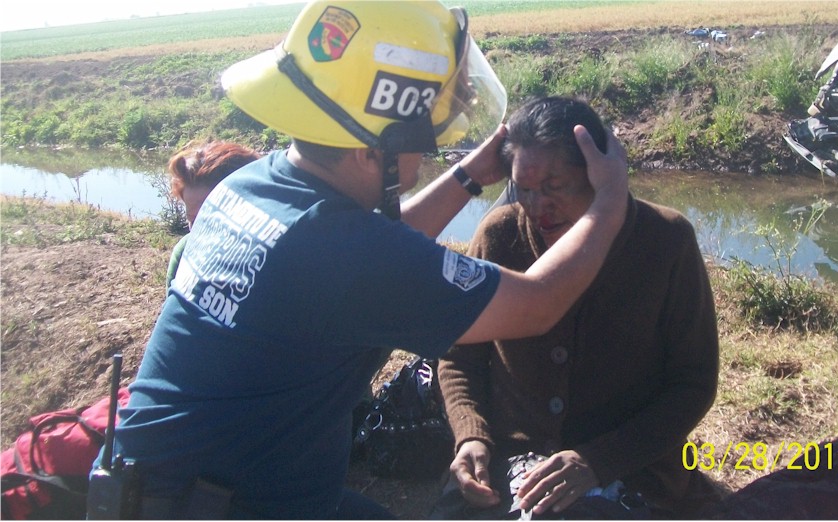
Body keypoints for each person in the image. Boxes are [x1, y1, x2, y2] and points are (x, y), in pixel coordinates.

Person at [89, 3, 629, 519]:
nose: (430, 153)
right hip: (216, 507)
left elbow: (372, 250)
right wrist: (609, 200)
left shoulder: (259, 184)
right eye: (426, 141)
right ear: (375, 148)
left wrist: (466, 177)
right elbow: (538, 304)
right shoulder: (340, 250)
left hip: (162, 482)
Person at [434, 97, 722, 520]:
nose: (536, 206)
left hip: (635, 467)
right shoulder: (498, 237)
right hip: (509, 460)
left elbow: (693, 382)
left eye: (554, 187)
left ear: (598, 173)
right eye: (524, 189)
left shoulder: (666, 240)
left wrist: (598, 461)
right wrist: (472, 437)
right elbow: (460, 354)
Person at [165, 140, 260, 287]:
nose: (200, 231)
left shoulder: (281, 256)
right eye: (193, 219)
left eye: (212, 220)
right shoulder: (185, 253)